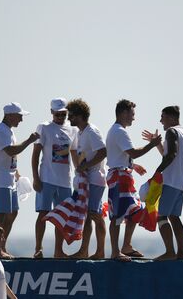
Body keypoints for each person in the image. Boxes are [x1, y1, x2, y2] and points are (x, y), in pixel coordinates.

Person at [105, 99, 161, 261]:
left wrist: (133, 165)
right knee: (118, 215)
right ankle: (116, 251)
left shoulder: (117, 130)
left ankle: (126, 246)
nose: (133, 118)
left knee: (133, 212)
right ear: (123, 113)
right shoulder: (119, 131)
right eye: (132, 114)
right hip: (119, 177)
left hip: (124, 175)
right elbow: (133, 152)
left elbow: (123, 155)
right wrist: (152, 144)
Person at [0, 102, 39, 259]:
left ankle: (1, 246)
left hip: (9, 178)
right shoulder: (0, 130)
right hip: (0, 179)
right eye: (19, 116)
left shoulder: (9, 132)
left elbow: (11, 156)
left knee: (12, 213)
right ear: (10, 115)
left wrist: (17, 175)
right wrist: (29, 140)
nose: (21, 120)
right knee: (0, 215)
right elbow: (11, 150)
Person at [31, 98, 77, 258]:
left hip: (65, 181)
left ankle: (59, 250)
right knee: (43, 214)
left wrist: (79, 176)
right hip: (47, 179)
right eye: (57, 114)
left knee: (62, 217)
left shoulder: (73, 130)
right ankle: (38, 248)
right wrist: (36, 178)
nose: (60, 117)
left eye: (63, 114)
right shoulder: (44, 128)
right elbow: (35, 153)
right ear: (51, 112)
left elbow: (74, 154)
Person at [67, 99, 107, 259]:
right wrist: (79, 166)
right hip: (86, 180)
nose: (69, 119)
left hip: (96, 179)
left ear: (80, 116)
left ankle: (101, 251)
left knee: (95, 214)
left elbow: (103, 152)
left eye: (72, 116)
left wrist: (86, 165)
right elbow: (73, 150)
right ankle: (84, 250)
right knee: (88, 215)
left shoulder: (92, 131)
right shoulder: (80, 132)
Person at [151, 106, 183, 261]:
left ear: (172, 118)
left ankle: (169, 251)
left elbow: (172, 155)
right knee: (174, 217)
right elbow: (168, 154)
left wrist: (157, 171)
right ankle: (181, 253)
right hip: (182, 181)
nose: (161, 120)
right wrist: (157, 145)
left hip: (171, 180)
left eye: (163, 116)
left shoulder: (171, 131)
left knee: (161, 217)